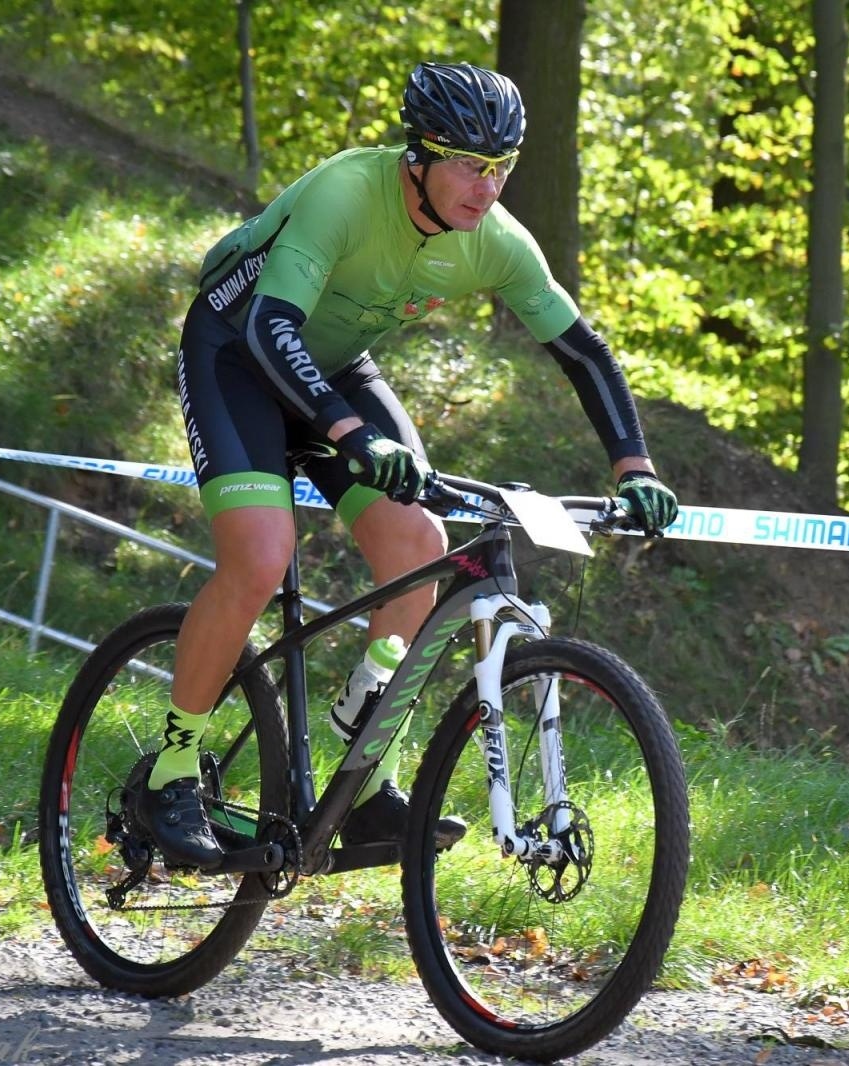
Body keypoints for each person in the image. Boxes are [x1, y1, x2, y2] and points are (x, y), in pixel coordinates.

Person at [140, 61, 679, 868]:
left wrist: (635, 466)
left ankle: (368, 780)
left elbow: (584, 352)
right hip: (239, 354)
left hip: (334, 369)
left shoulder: (495, 241)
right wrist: (351, 433)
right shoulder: (347, 194)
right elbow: (269, 327)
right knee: (260, 556)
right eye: (468, 164)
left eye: (502, 167)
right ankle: (172, 769)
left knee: (421, 547)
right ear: (417, 156)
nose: (487, 188)